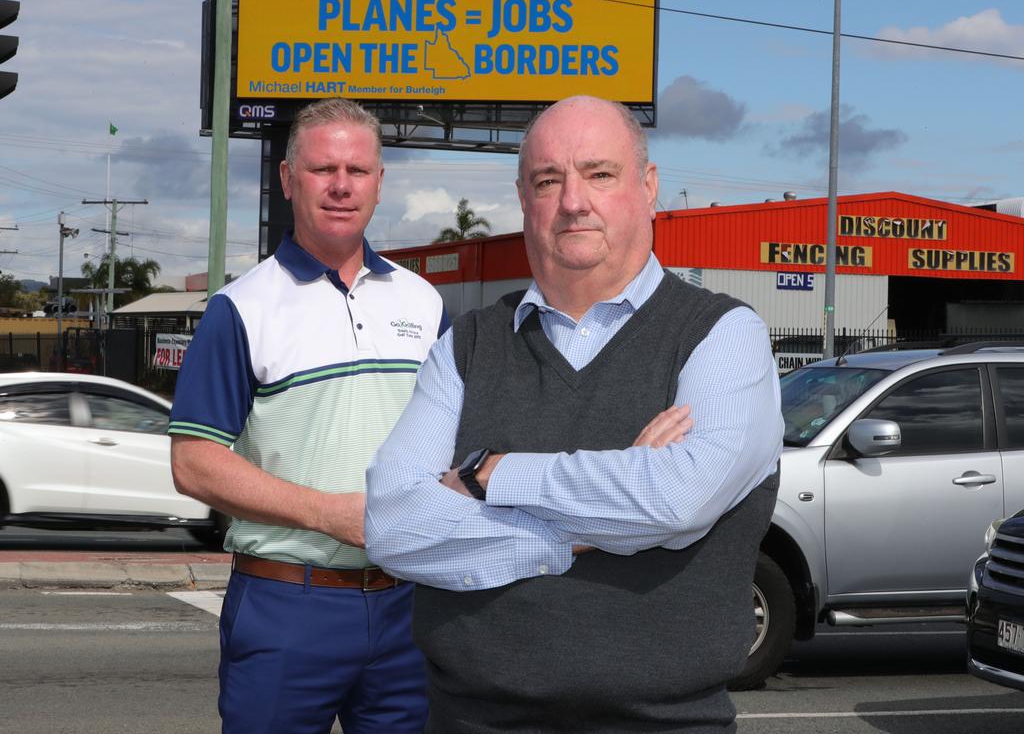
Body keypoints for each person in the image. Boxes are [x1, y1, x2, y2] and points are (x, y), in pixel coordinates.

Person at [365, 95, 783, 733]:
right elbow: (393, 526)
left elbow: (680, 497)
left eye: (599, 173)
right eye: (548, 180)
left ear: (647, 187)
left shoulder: (722, 335)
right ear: (524, 198)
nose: (573, 200)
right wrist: (599, 523)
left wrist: (492, 477)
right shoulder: (468, 345)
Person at [168, 98, 445, 734]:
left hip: (411, 604)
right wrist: (332, 515)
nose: (342, 185)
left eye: (358, 169)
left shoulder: (425, 303)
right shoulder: (240, 308)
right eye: (323, 169)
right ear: (289, 179)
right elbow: (194, 464)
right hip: (288, 602)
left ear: (380, 182)